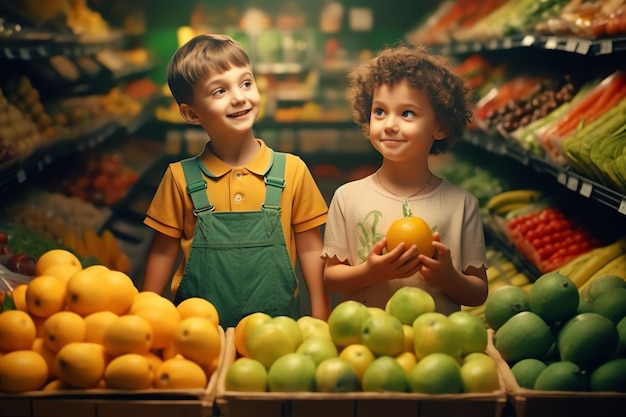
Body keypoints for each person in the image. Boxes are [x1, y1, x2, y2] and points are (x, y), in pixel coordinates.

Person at [142, 34, 330, 328]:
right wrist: (144, 322)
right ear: (191, 113)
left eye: (246, 83)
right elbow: (161, 254)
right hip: (199, 339)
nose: (240, 97)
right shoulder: (179, 178)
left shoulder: (292, 171)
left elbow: (311, 251)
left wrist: (321, 319)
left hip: (276, 338)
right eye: (219, 91)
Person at [321, 41, 488, 315]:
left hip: (435, 345)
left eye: (407, 113)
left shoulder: (462, 204)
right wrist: (372, 271)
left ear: (441, 126)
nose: (390, 124)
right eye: (380, 112)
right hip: (366, 343)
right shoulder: (347, 197)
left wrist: (448, 277)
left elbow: (478, 292)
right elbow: (331, 278)